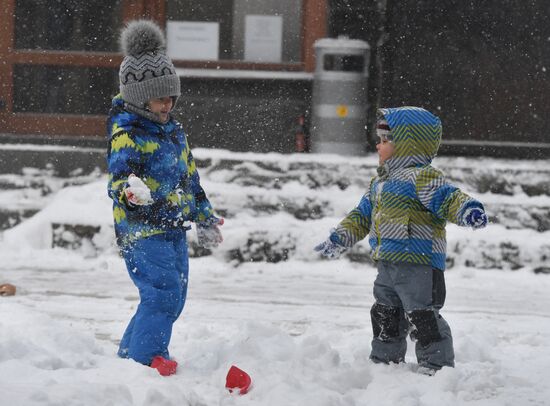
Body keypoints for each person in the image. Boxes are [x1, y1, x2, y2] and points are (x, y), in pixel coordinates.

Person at [315, 106, 488, 375]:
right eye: (380, 140)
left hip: (419, 264)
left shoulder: (422, 178)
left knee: (423, 316)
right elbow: (361, 215)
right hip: (387, 264)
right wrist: (339, 238)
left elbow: (448, 197)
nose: (378, 145)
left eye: (385, 141)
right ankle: (386, 360)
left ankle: (436, 364)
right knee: (386, 313)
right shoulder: (378, 184)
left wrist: (467, 210)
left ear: (409, 146)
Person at [107, 20, 223, 376]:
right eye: (160, 97)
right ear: (139, 99)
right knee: (162, 294)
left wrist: (203, 215)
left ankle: (130, 354)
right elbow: (118, 183)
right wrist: (132, 193)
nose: (168, 103)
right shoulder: (127, 134)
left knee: (174, 298)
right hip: (141, 231)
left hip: (172, 228)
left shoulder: (173, 132)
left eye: (171, 96)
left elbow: (190, 178)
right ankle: (148, 358)